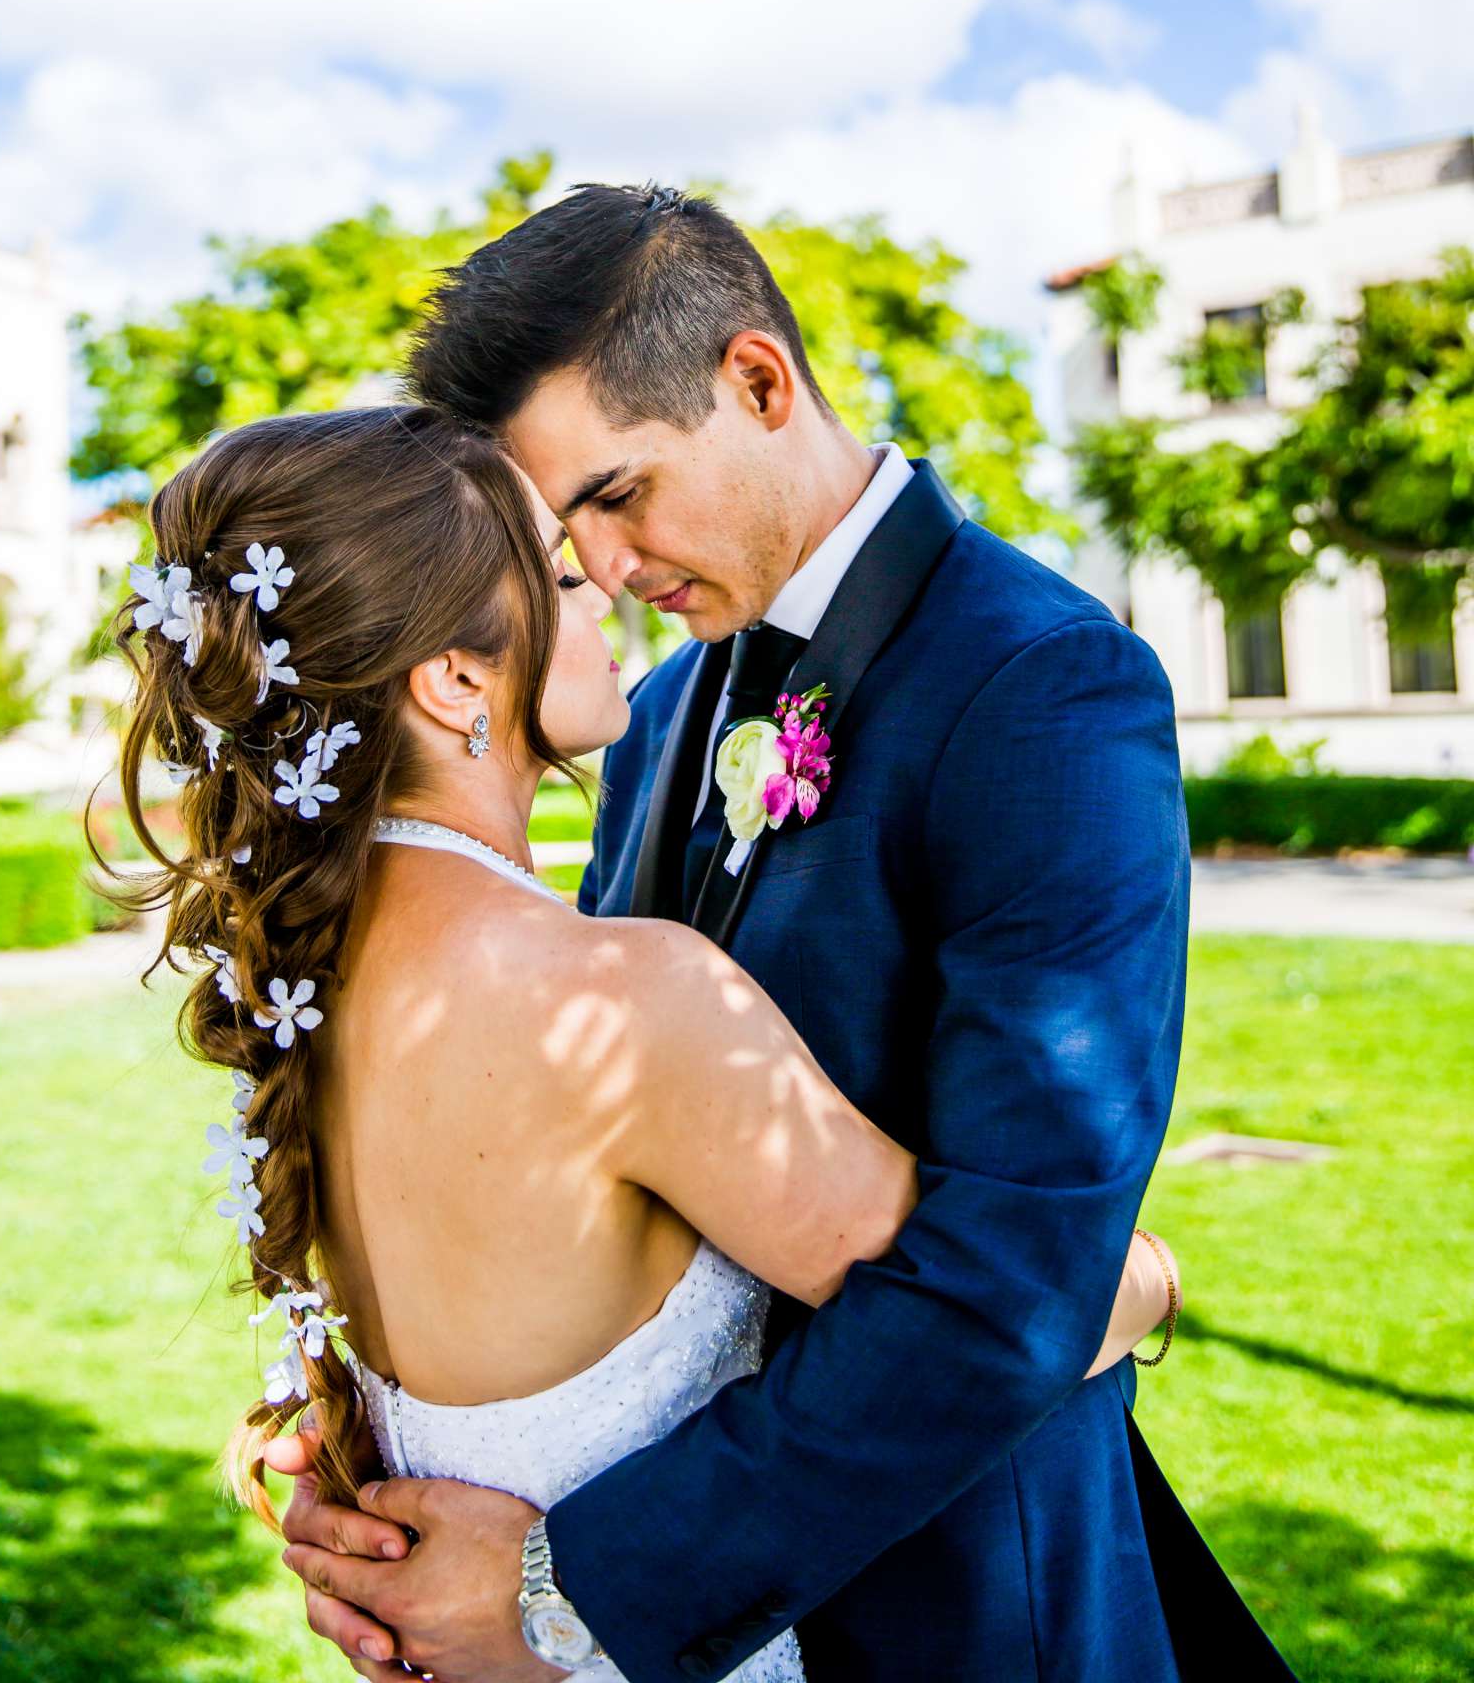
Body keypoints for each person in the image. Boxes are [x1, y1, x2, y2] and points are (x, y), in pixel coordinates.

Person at [268, 185, 1298, 1683]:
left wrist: (571, 1591)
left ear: (757, 380)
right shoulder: (657, 709)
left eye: (616, 497)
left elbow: (1017, 1273)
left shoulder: (1048, 681)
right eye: (566, 532)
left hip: (959, 1596)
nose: (603, 573)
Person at [113, 392, 1180, 1683]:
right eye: (560, 576)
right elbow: (990, 1308)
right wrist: (1154, 1277)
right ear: (455, 680)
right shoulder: (614, 1005)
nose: (607, 591)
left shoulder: (311, 994)